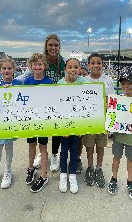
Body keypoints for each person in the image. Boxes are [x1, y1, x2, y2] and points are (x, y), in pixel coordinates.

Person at [0, 58, 22, 190]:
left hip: (11, 120)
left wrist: (13, 90)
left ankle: (8, 171)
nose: (7, 71)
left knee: (9, 145)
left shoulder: (18, 83)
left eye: (9, 68)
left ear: (13, 70)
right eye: (4, 68)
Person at [33, 34, 65, 172]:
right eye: (50, 45)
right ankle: (42, 153)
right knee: (42, 128)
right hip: (42, 100)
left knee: (57, 129)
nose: (53, 47)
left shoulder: (62, 61)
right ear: (46, 46)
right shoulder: (41, 60)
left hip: (57, 100)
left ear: (59, 47)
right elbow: (29, 74)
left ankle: (54, 154)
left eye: (56, 45)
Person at [83, 53, 114, 188]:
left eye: (98, 63)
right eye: (93, 63)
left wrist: (110, 123)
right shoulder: (84, 80)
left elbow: (112, 103)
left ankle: (99, 167)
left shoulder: (108, 80)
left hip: (103, 120)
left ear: (102, 64)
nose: (96, 65)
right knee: (89, 146)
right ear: (89, 65)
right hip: (89, 120)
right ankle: (90, 167)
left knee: (101, 146)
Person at [107, 72, 132, 201]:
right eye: (123, 83)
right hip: (119, 135)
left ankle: (130, 183)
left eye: (129, 83)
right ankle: (114, 179)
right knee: (116, 157)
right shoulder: (116, 100)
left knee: (130, 159)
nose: (126, 86)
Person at [23, 53, 53, 193]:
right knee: (31, 145)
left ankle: (43, 175)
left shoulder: (49, 82)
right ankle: (30, 168)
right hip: (30, 119)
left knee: (43, 147)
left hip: (43, 119)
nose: (37, 67)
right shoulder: (27, 81)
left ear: (44, 66)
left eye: (40, 64)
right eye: (35, 64)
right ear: (31, 66)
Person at [57, 58, 87, 193]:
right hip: (64, 123)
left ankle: (73, 175)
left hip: (78, 123)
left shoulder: (84, 82)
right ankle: (63, 174)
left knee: (74, 151)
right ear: (65, 69)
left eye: (75, 67)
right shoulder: (60, 83)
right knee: (63, 151)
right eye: (70, 67)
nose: (73, 70)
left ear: (79, 69)